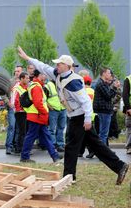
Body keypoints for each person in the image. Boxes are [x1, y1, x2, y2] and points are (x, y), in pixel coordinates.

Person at [18, 46, 129, 184]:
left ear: (68, 66)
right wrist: (28, 58)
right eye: (57, 64)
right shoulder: (58, 74)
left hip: (80, 118)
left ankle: (69, 177)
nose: (56, 65)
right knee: (96, 146)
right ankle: (120, 166)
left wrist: (88, 119)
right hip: (76, 117)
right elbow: (43, 66)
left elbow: (86, 101)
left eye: (59, 64)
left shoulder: (73, 82)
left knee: (71, 147)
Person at [19, 70, 62, 163]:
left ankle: (55, 156)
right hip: (37, 116)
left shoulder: (35, 86)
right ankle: (25, 156)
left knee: (44, 136)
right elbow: (38, 103)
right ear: (40, 75)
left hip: (37, 116)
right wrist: (45, 113)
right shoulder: (37, 87)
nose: (46, 77)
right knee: (33, 136)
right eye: (44, 75)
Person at [93, 68, 120, 146]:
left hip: (104, 110)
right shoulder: (101, 84)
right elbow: (108, 96)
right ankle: (104, 152)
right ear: (104, 73)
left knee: (103, 132)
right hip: (104, 110)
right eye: (108, 73)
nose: (110, 74)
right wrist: (115, 87)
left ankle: (103, 151)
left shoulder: (103, 83)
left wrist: (113, 85)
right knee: (104, 133)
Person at [4, 66, 23, 154]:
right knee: (11, 126)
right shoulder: (10, 82)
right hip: (12, 108)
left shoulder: (24, 82)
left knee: (19, 128)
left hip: (21, 109)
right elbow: (3, 94)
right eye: (15, 71)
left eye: (18, 71)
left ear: (22, 72)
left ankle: (17, 146)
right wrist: (8, 103)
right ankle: (9, 146)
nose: (16, 73)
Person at [44, 79, 67, 152]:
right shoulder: (48, 86)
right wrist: (49, 106)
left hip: (62, 108)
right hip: (53, 110)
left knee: (61, 127)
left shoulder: (63, 84)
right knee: (51, 129)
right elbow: (43, 99)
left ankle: (60, 144)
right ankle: (53, 145)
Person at [13, 72, 30, 155]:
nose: (28, 80)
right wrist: (18, 108)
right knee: (22, 131)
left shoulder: (26, 87)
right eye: (26, 78)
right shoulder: (17, 87)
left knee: (25, 131)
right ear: (22, 78)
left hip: (26, 111)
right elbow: (13, 100)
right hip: (20, 112)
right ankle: (19, 148)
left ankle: (23, 148)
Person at [79, 76, 96, 158]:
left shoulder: (83, 91)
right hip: (91, 116)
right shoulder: (93, 91)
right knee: (87, 135)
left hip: (84, 116)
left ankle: (83, 151)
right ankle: (88, 151)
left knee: (83, 135)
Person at [122, 74, 131, 155]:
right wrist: (128, 108)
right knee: (129, 128)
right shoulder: (128, 79)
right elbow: (125, 95)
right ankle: (129, 147)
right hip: (130, 108)